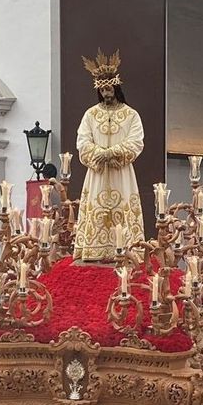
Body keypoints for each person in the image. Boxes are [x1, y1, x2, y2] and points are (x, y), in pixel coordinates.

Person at [72, 49, 146, 262]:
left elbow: (136, 141)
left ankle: (126, 250)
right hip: (97, 173)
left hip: (121, 173)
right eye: (102, 89)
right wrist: (98, 155)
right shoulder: (90, 115)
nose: (106, 93)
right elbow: (83, 141)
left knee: (123, 208)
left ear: (116, 86)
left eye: (109, 88)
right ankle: (94, 250)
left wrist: (111, 153)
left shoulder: (131, 115)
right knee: (97, 207)